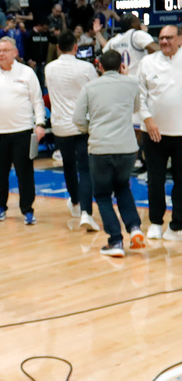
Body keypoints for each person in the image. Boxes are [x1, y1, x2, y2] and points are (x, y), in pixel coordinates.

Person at [72, 50, 146, 256]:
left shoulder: (90, 87)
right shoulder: (131, 84)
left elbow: (77, 118)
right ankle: (135, 228)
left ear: (100, 67)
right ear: (121, 65)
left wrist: (91, 128)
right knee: (123, 188)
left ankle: (115, 241)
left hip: (101, 147)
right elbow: (135, 108)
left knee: (103, 195)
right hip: (127, 147)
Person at [0, 36, 46, 224]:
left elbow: (37, 101)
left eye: (5, 50)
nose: (1, 54)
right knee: (0, 173)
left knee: (25, 173)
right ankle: (0, 207)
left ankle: (27, 210)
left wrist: (40, 124)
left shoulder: (27, 73)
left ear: (15, 52)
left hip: (23, 131)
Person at [45, 31, 100, 232]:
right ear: (76, 47)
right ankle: (86, 212)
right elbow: (94, 93)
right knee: (85, 168)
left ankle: (76, 204)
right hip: (83, 124)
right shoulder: (86, 67)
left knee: (68, 165)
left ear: (58, 48)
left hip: (60, 125)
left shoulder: (49, 68)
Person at [137, 24, 182, 241]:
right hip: (153, 133)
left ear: (180, 39)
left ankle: (177, 227)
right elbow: (140, 96)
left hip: (181, 134)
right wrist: (147, 119)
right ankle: (155, 223)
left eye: (169, 38)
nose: (164, 42)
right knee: (155, 180)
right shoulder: (147, 62)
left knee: (181, 181)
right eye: (162, 38)